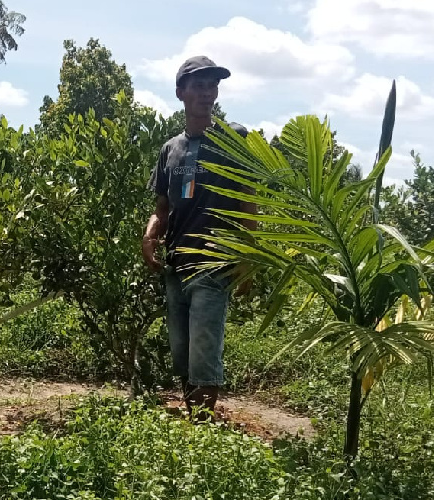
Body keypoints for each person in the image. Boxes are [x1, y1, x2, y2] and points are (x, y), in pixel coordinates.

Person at [141, 55, 257, 422]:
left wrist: (247, 261)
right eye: (199, 86)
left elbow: (248, 201)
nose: (208, 93)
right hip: (176, 264)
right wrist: (150, 232)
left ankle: (202, 430)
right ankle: (195, 423)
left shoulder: (234, 139)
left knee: (203, 354)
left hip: (212, 262)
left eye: (213, 85)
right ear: (181, 93)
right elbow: (162, 205)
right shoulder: (170, 149)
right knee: (182, 353)